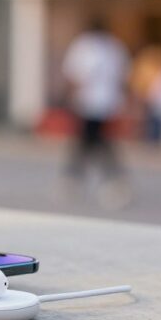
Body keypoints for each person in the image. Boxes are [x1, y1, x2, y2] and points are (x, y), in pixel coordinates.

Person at [61, 17, 131, 209]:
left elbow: (73, 75)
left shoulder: (84, 45)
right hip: (107, 104)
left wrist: (69, 98)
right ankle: (109, 181)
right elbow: (123, 77)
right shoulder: (115, 47)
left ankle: (76, 179)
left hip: (89, 102)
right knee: (95, 142)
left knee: (91, 142)